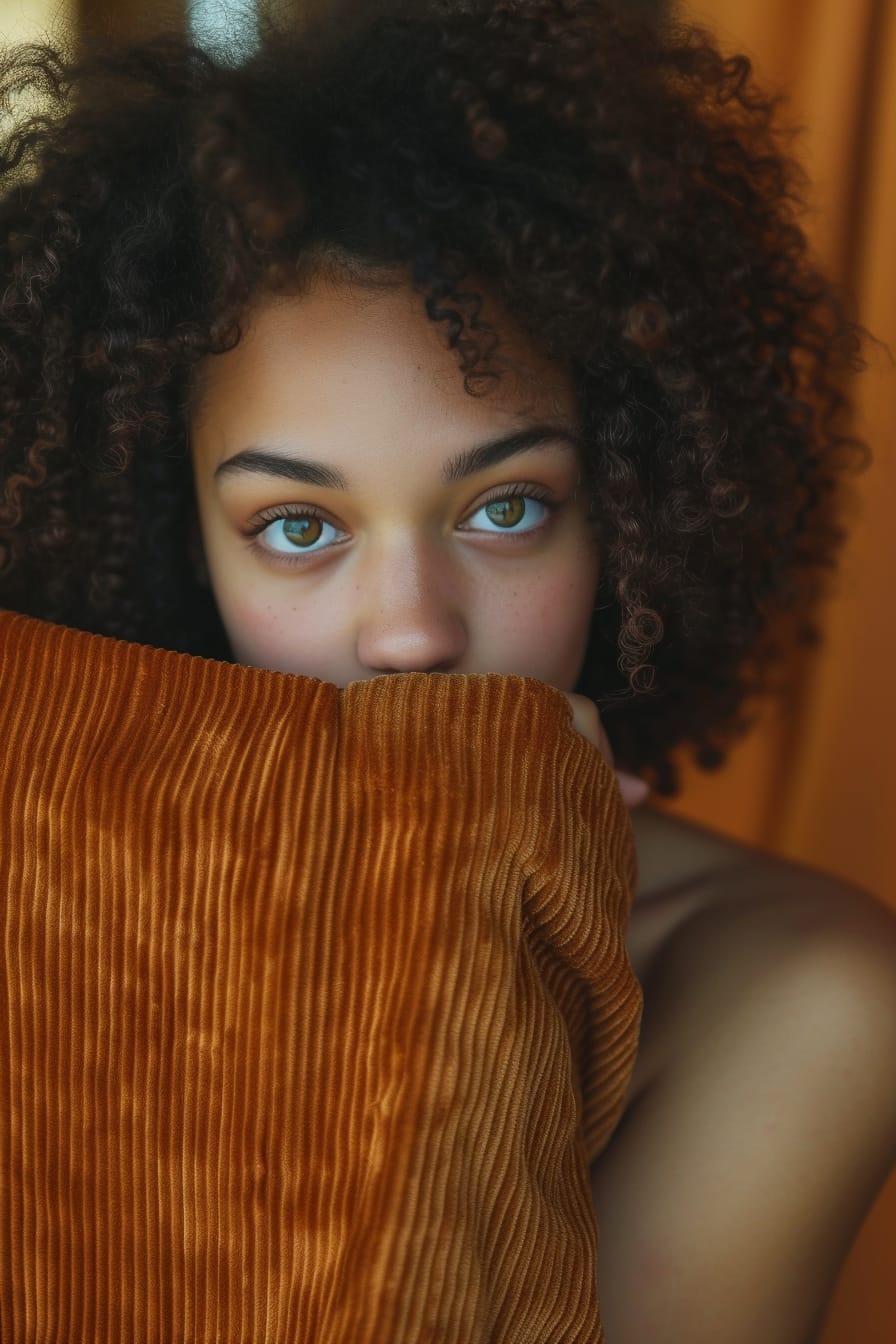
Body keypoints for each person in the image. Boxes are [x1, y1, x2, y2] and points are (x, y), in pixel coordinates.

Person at [1, 1, 895, 1339]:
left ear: (637, 517)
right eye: (298, 529)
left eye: (506, 508)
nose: (412, 632)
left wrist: (482, 961)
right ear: (180, 549)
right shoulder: (40, 884)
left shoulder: (808, 997)